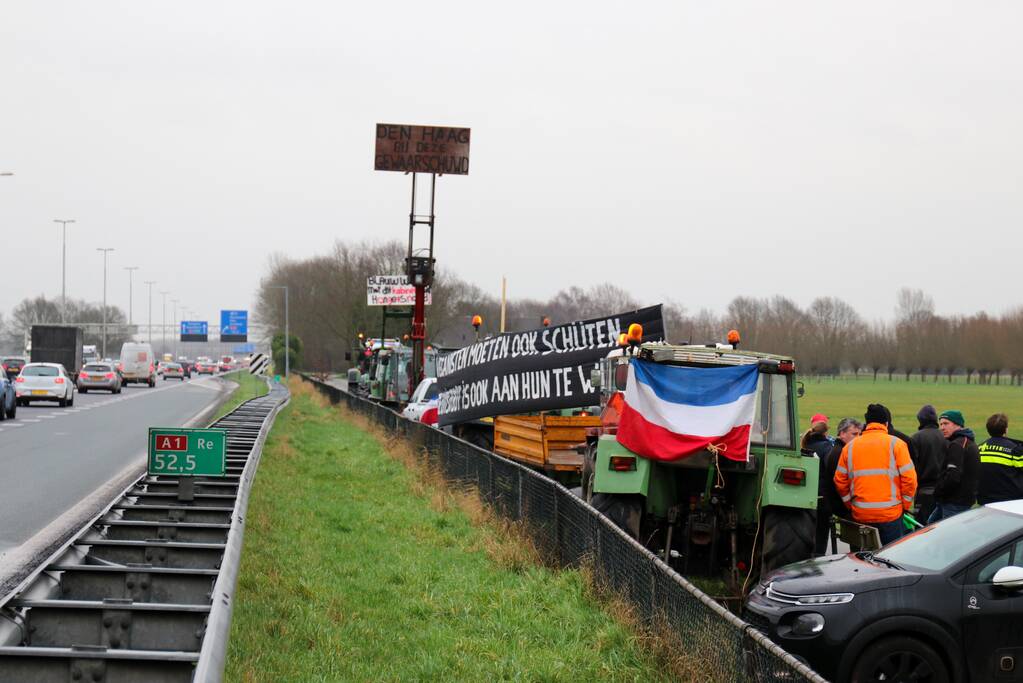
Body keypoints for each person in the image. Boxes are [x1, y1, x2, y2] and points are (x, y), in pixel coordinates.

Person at [834, 404, 917, 546]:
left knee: (862, 560)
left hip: (861, 514)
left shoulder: (850, 447)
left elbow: (839, 480)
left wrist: (850, 505)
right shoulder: (897, 444)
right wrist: (905, 505)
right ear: (886, 423)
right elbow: (910, 479)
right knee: (891, 559)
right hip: (891, 514)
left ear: (867, 424)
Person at [816, 417, 863, 555]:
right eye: (854, 434)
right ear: (842, 434)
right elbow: (840, 485)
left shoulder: (839, 450)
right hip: (840, 505)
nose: (858, 438)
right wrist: (850, 506)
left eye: (860, 434)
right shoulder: (840, 453)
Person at [929, 409, 979, 523]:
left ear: (958, 425)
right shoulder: (967, 441)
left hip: (954, 503)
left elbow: (953, 476)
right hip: (956, 501)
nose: (942, 428)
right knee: (930, 527)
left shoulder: (957, 445)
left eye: (946, 423)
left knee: (946, 536)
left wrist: (938, 491)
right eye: (941, 424)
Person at [802, 414, 834, 556]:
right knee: (821, 534)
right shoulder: (828, 447)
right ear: (826, 431)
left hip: (804, 495)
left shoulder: (803, 444)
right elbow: (831, 471)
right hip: (822, 497)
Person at [909, 404, 945, 523]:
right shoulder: (945, 437)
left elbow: (911, 467)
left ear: (920, 419)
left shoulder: (916, 438)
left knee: (922, 530)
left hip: (923, 492)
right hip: (943, 491)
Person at [977, 413, 1023, 505]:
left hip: (985, 500)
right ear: (1005, 429)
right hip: (1010, 501)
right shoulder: (1015, 450)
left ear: (988, 430)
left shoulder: (979, 448)